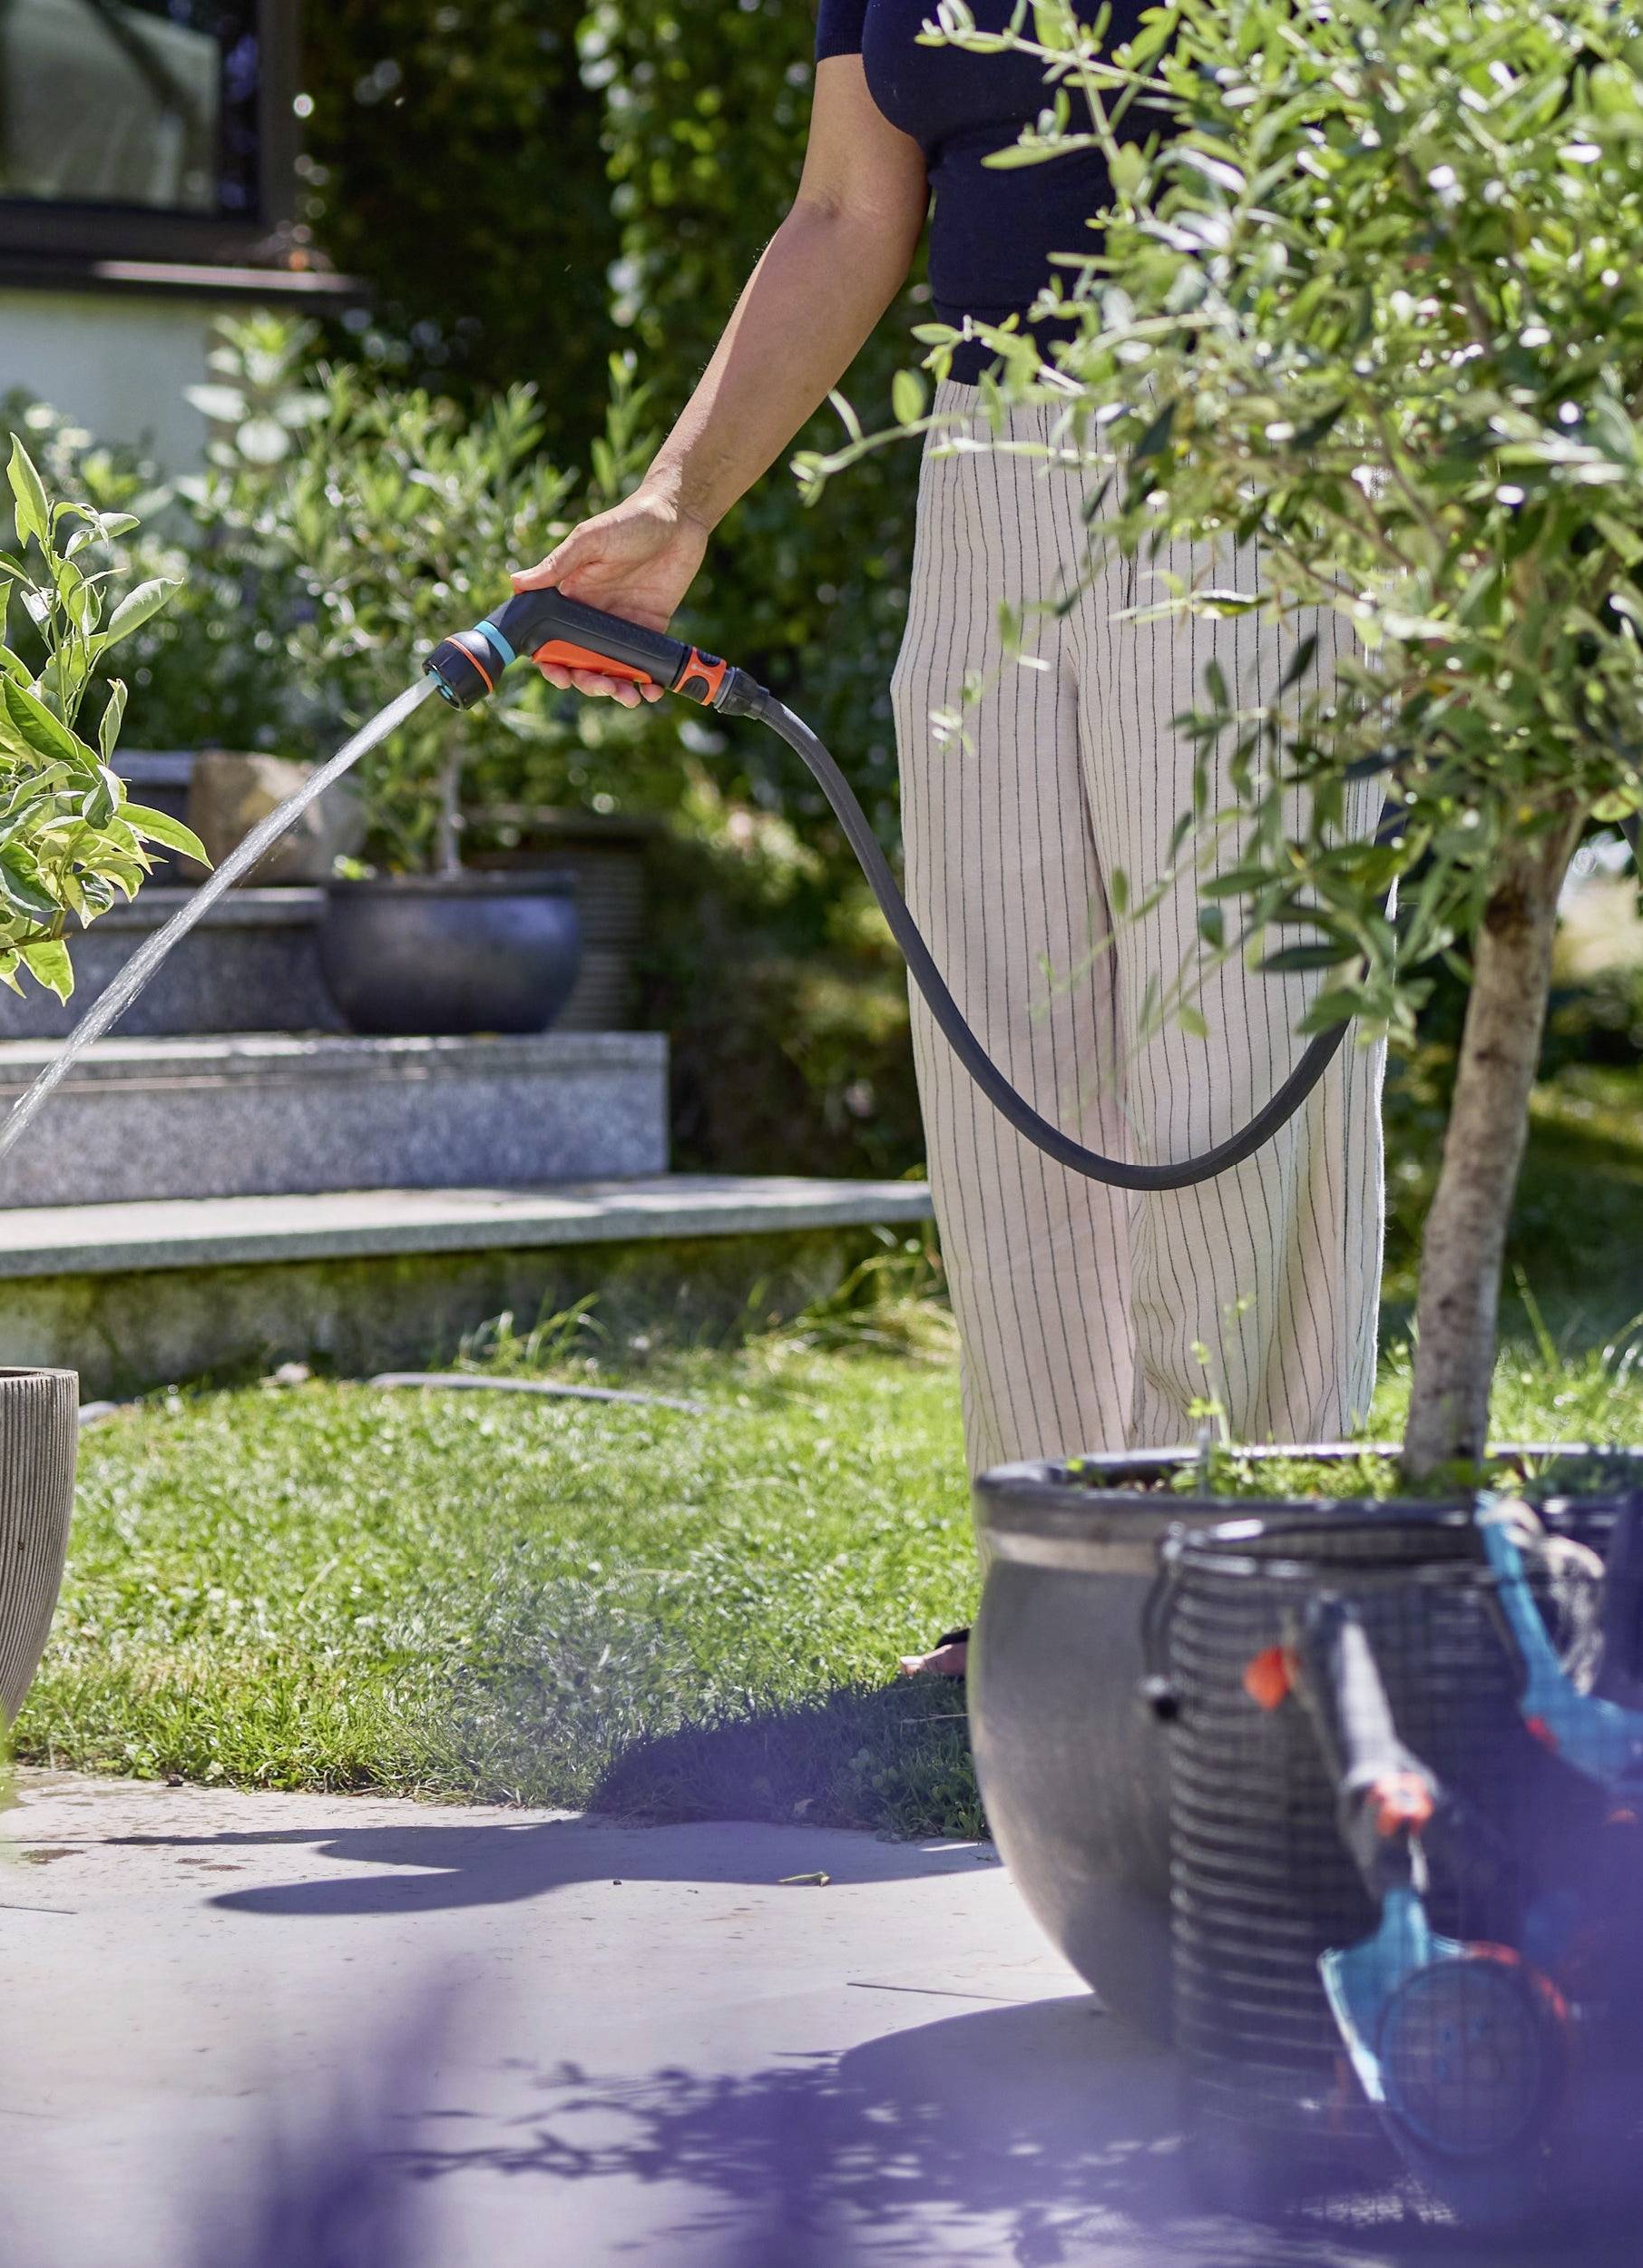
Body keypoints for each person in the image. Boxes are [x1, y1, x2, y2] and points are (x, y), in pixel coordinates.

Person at [515, 3, 1384, 1675]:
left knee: (1239, 1022)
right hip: (992, 472)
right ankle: (1056, 1584)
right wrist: (679, 499)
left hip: (1259, 448)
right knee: (1006, 1031)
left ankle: (1246, 1573)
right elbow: (850, 206)